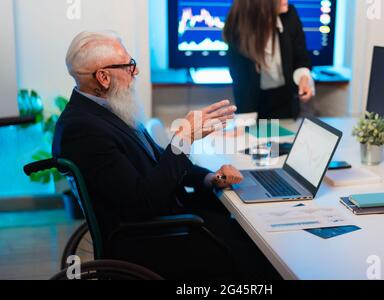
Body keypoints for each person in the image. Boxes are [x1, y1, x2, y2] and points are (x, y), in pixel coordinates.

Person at [54, 31, 280, 279]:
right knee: (261, 255)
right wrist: (183, 140)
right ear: (104, 77)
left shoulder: (108, 108)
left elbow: (158, 161)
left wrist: (211, 178)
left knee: (251, 233)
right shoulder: (82, 130)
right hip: (153, 240)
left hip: (171, 221)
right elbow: (144, 201)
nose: (136, 72)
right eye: (129, 66)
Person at [224, 0, 315, 120]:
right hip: (254, 104)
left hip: (286, 102)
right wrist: (244, 125)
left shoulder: (290, 14)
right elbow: (241, 82)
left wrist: (303, 78)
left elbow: (301, 57)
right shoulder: (238, 25)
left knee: (285, 136)